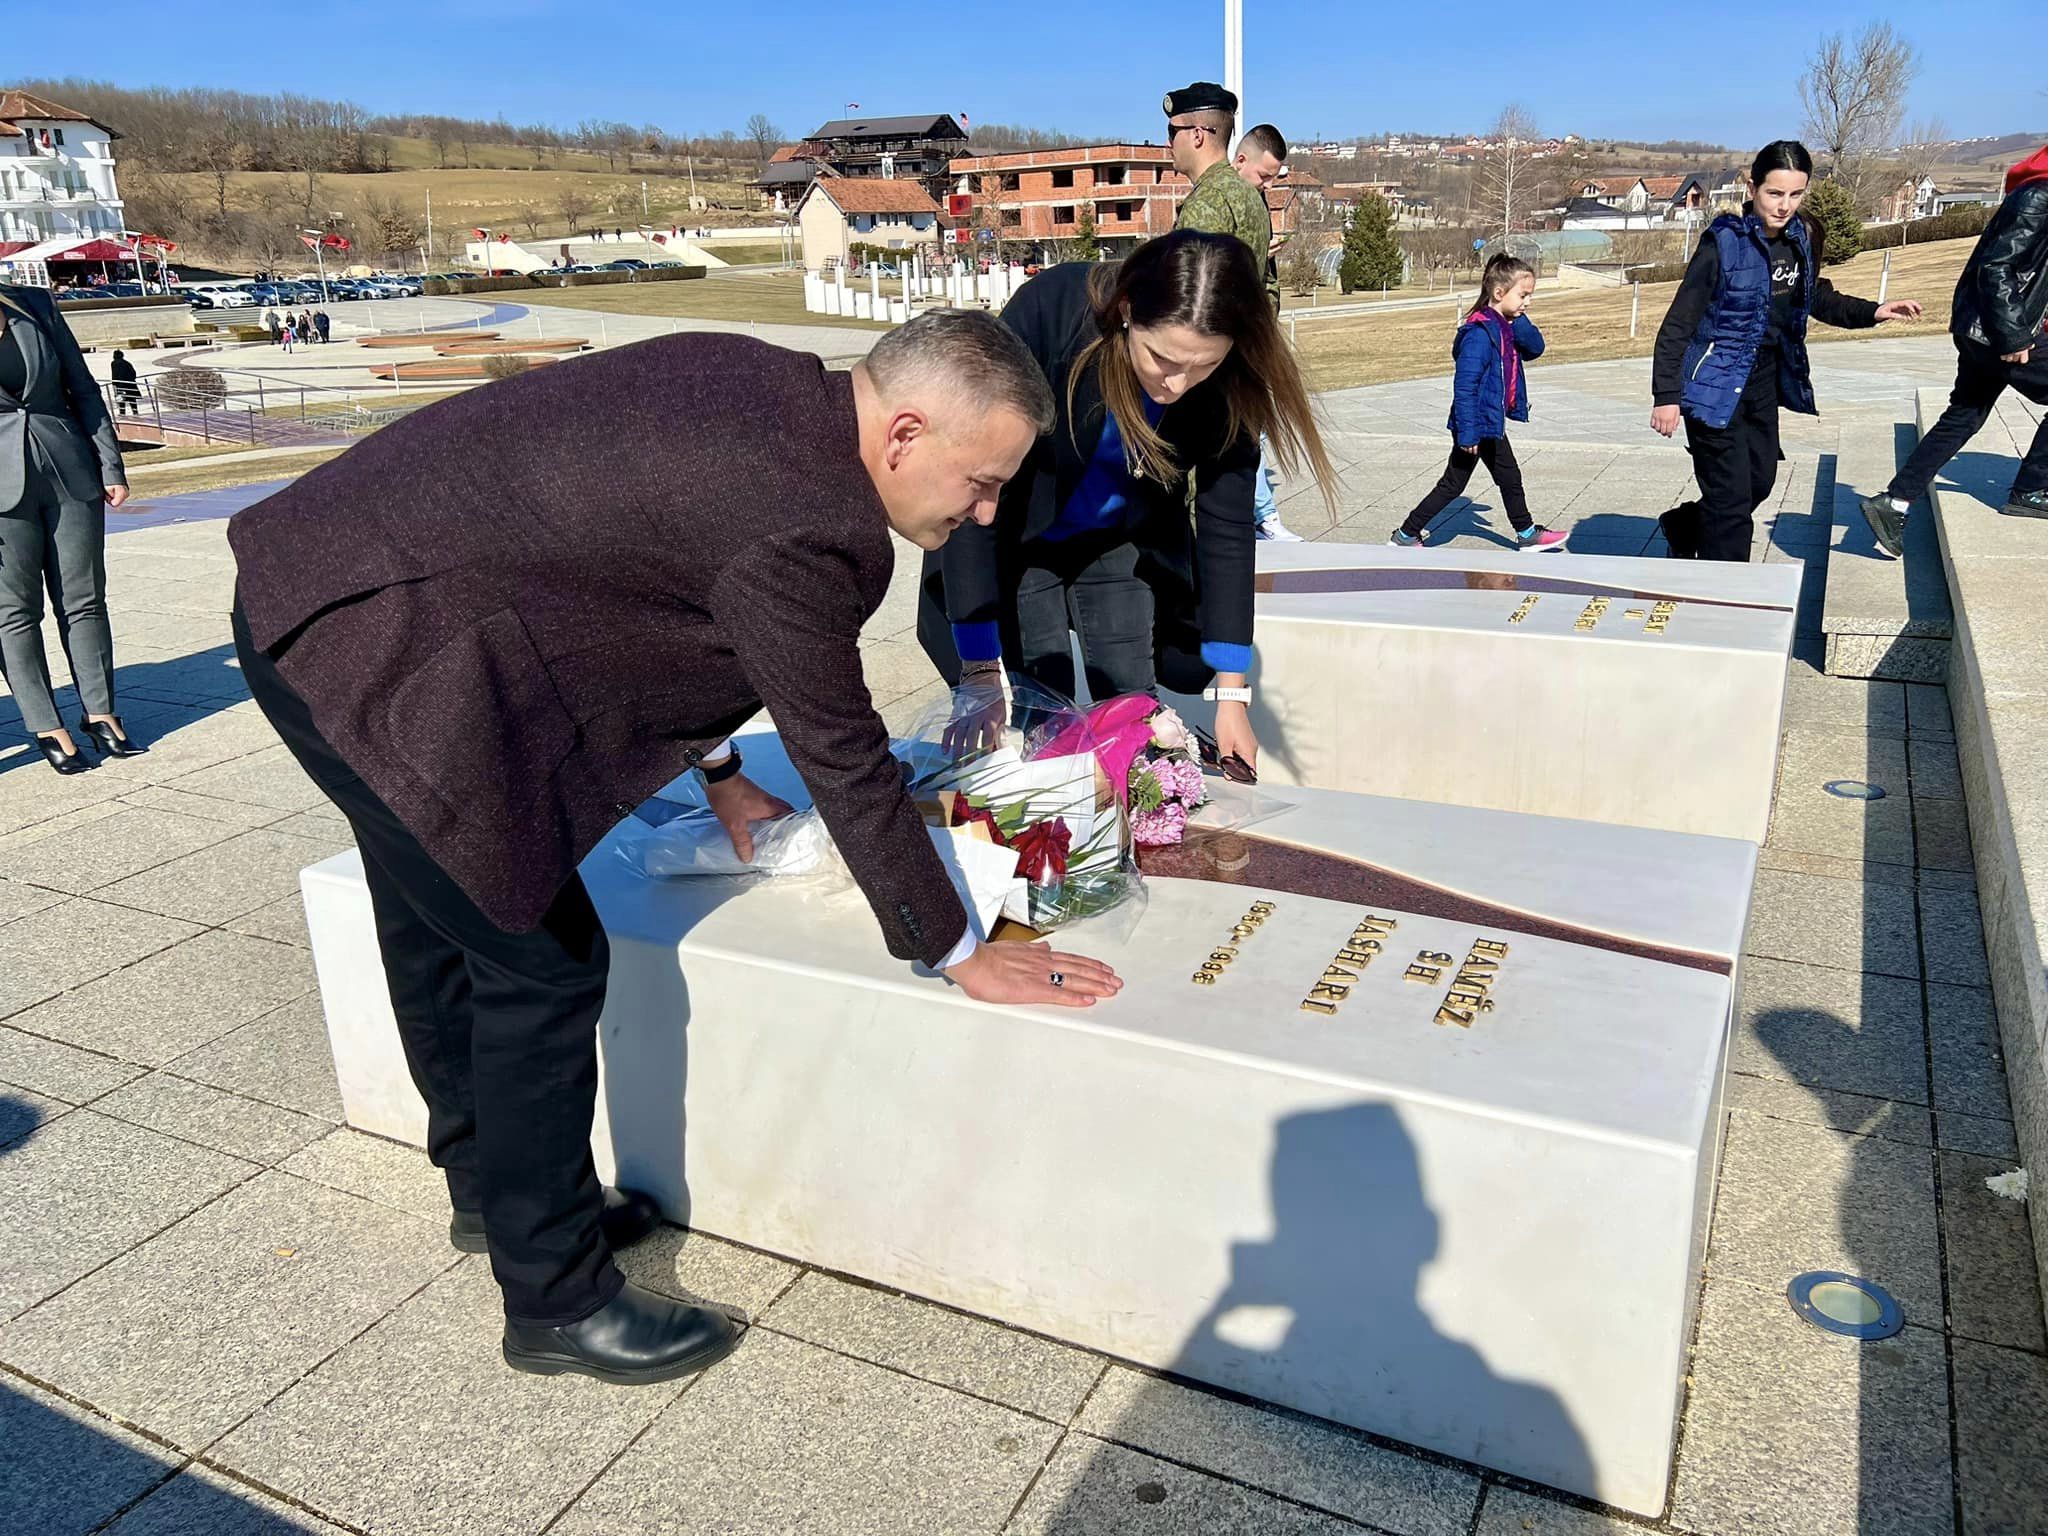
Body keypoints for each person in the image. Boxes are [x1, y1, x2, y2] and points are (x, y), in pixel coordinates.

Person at [228, 312, 1120, 1386]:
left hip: (331, 579)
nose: (984, 513)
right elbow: (841, 757)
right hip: (362, 636)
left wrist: (721, 773)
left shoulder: (760, 383)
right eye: (978, 483)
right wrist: (957, 947)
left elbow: (649, 573)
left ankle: (489, 1187)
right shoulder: (805, 521)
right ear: (904, 434)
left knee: (434, 908)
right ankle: (553, 1299)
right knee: (541, 962)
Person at [917, 230, 1338, 780]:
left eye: (1203, 365)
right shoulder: (1051, 313)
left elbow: (1227, 525)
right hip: (1020, 538)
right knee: (1039, 714)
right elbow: (976, 478)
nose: (1178, 383)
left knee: (1134, 714)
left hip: (1119, 540)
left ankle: (1129, 825)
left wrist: (1232, 697)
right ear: (1126, 312)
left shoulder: (1225, 382)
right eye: (1161, 357)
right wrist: (977, 670)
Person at [1650, 140, 1922, 561]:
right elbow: (1679, 322)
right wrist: (1666, 395)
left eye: (1795, 194)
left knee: (1759, 482)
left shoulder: (1804, 234)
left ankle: (1684, 525)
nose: (1784, 205)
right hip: (1712, 383)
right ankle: (1729, 599)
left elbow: (1815, 296)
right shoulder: (1722, 242)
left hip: (1762, 381)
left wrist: (1874, 310)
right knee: (1731, 502)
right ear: (1752, 186)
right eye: (1775, 193)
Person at [1860, 144, 2048, 553]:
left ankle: (1894, 502)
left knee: (1964, 415)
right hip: (1995, 332)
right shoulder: (2040, 196)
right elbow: (1997, 267)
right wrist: (2015, 335)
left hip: (1981, 329)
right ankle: (2031, 489)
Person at [0, 284, 142, 774]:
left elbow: (82, 388)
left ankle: (101, 712)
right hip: (0, 496)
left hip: (70, 471)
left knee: (84, 599)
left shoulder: (33, 305)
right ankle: (46, 724)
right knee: (15, 612)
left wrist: (110, 465)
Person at [1390, 256, 1568, 552]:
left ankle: (1408, 535)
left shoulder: (1505, 328)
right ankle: (1406, 535)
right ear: (1499, 293)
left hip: (1488, 421)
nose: (1528, 302)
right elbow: (1465, 387)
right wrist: (1468, 432)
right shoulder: (1479, 334)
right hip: (1475, 424)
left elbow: (1536, 348)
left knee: (1501, 476)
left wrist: (1519, 317)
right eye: (1523, 296)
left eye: (1530, 296)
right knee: (1458, 484)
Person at [1231, 123, 1303, 543]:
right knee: (1245, 427)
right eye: (1264, 176)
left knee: (1252, 427)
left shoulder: (1254, 203)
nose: (1268, 184)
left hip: (1254, 334)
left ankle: (1261, 514)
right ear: (1241, 160)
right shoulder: (1222, 203)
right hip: (1233, 338)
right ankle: (1261, 515)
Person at [1167, 82, 1279, 310]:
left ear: (1197, 135)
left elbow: (1193, 305)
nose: (1168, 143)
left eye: (1173, 132)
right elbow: (1268, 287)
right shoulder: (1250, 195)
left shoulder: (1208, 201)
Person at [109, 348, 140, 416]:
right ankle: (135, 412)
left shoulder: (114, 363)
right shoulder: (127, 363)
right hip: (130, 383)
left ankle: (122, 412)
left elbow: (114, 374)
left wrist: (114, 383)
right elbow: (133, 373)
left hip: (120, 384)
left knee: (121, 399)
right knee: (132, 398)